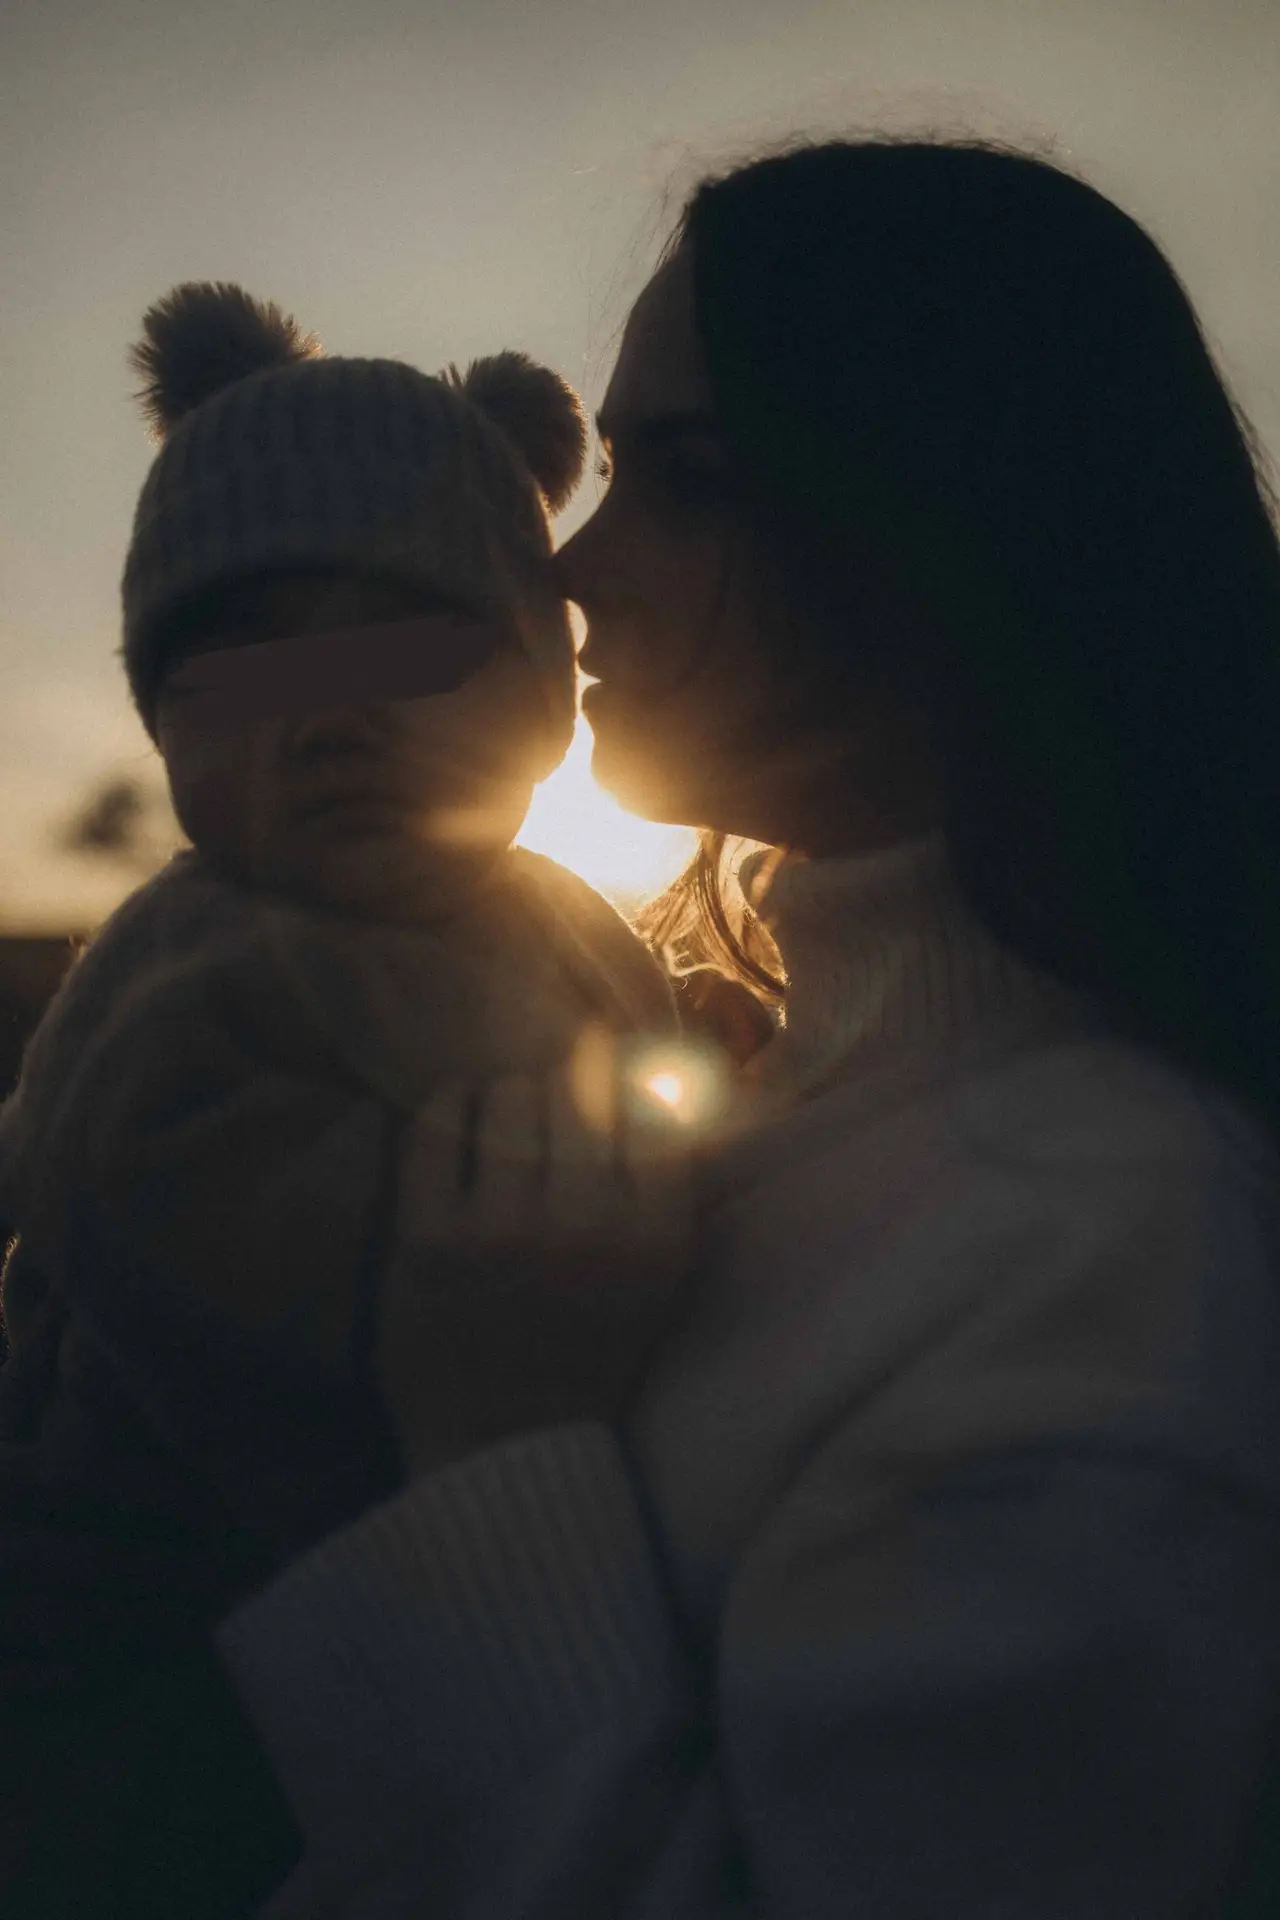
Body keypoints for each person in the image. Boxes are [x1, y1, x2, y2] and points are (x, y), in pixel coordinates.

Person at [9, 135, 1280, 1917]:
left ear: (932, 512)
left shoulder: (1116, 1258)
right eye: (600, 473)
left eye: (678, 481)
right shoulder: (786, 1086)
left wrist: (471, 1465)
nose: (571, 570)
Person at [0, 282, 686, 1912]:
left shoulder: (558, 919)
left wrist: (704, 1076)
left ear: (538, 698)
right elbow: (158, 1195)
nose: (327, 720)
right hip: (169, 1637)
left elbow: (635, 1056)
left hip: (437, 1620)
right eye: (240, 672)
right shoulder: (198, 966)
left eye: (410, 648)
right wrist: (458, 1257)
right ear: (168, 730)